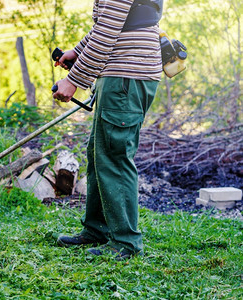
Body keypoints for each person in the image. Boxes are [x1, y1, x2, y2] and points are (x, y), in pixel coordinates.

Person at [52, 0, 163, 260]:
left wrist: (73, 80)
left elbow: (106, 32)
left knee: (114, 156)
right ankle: (97, 230)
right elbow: (112, 22)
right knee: (100, 152)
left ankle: (125, 241)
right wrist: (77, 51)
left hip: (126, 76)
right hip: (122, 74)